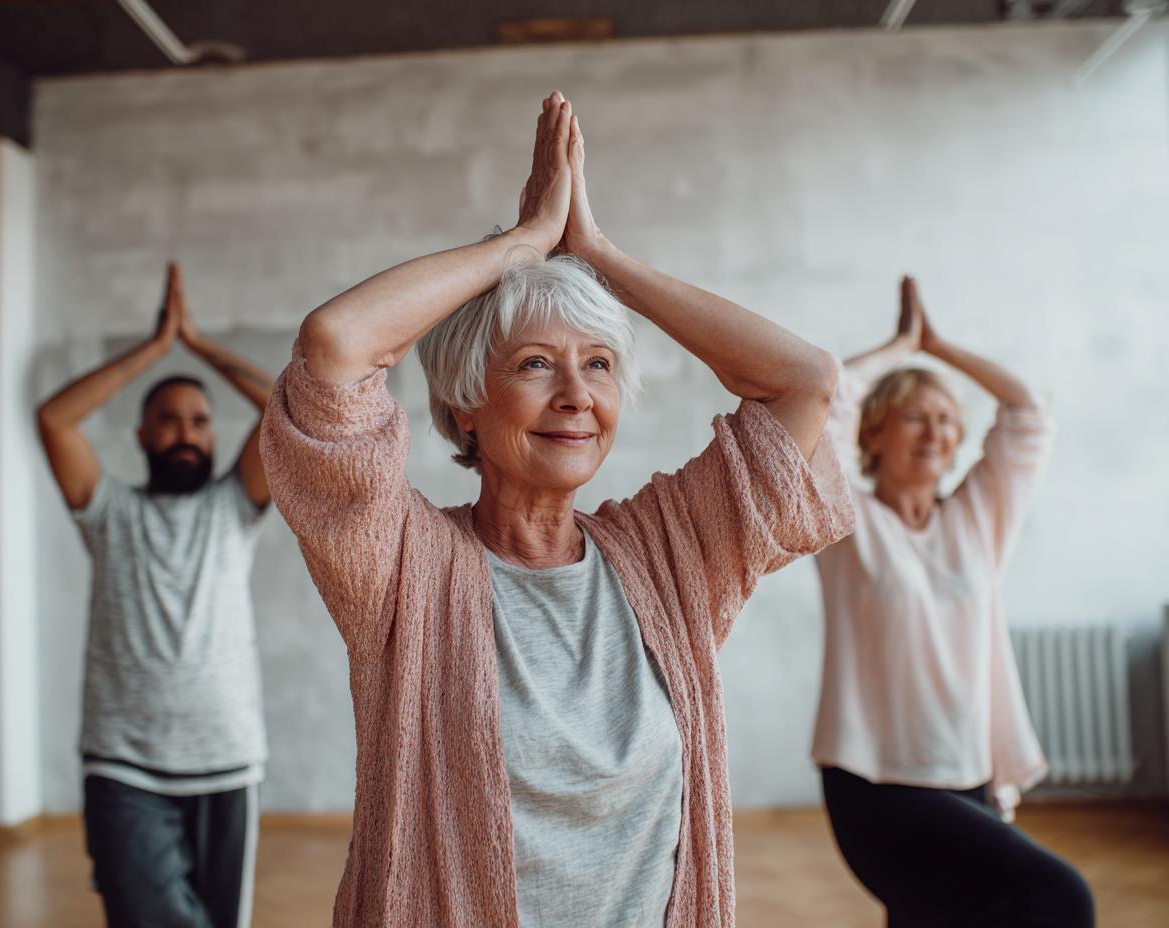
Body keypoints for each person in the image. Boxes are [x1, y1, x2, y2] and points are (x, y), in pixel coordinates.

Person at [260, 91, 854, 928]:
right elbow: (336, 347)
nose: (577, 395)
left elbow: (806, 381)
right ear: (466, 402)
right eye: (537, 364)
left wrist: (601, 257)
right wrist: (522, 244)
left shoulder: (670, 554)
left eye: (601, 365)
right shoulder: (401, 564)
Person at [811, 276, 1094, 926]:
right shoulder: (844, 519)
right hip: (875, 778)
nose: (936, 431)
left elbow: (1027, 410)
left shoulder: (977, 519)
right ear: (874, 434)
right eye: (916, 416)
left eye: (947, 420)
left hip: (969, 770)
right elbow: (822, 402)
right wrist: (900, 347)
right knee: (1061, 896)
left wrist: (940, 347)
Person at [36, 262, 274, 928]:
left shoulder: (235, 508)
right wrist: (153, 348)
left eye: (199, 421)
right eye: (167, 421)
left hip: (228, 763)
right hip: (124, 767)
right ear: (141, 436)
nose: (186, 433)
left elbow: (290, 405)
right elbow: (54, 420)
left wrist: (196, 345)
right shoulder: (108, 511)